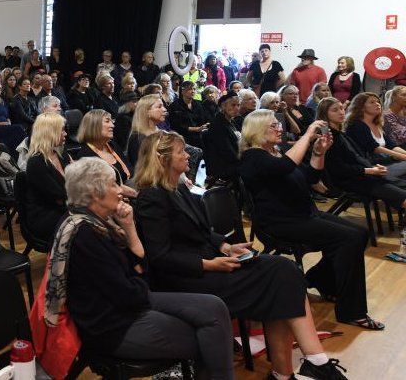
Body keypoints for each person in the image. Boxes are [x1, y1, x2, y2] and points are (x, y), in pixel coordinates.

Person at [133, 130, 350, 380]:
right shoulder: (153, 196)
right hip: (188, 278)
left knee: (283, 272)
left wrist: (224, 246)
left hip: (208, 264)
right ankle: (310, 364)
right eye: (181, 152)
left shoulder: (177, 188)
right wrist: (211, 264)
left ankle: (293, 369)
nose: (187, 156)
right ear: (163, 159)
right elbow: (160, 256)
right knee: (280, 275)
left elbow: (200, 233)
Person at [55, 158, 234, 380]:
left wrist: (129, 227)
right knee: (208, 335)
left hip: (131, 304)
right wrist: (138, 278)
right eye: (113, 184)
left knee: (214, 307)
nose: (121, 190)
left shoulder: (102, 223)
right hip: (113, 326)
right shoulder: (85, 235)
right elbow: (129, 292)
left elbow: (139, 271)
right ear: (95, 193)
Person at [240, 110, 378, 330]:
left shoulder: (278, 152)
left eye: (278, 125)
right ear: (256, 130)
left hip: (304, 214)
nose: (279, 129)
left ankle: (318, 279)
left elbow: (311, 177)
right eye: (273, 126)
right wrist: (307, 135)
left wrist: (318, 152)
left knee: (359, 234)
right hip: (281, 221)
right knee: (349, 239)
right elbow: (285, 167)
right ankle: (352, 311)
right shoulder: (252, 157)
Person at [318, 97, 406, 210]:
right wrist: (370, 170)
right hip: (351, 180)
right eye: (335, 110)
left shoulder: (340, 134)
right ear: (324, 114)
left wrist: (372, 168)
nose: (341, 112)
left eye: (341, 108)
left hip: (364, 174)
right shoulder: (328, 138)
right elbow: (338, 169)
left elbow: (359, 158)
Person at [67, 109, 136, 198]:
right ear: (94, 126)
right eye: (107, 121)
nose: (112, 125)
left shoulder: (112, 145)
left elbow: (130, 171)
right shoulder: (86, 155)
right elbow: (103, 190)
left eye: (111, 121)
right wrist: (139, 195)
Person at [23, 112, 69, 242]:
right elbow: (59, 198)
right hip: (45, 216)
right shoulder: (36, 162)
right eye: (62, 130)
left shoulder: (61, 154)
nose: (65, 134)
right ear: (50, 132)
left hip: (63, 208)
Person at [345, 92, 406, 163]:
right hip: (368, 164)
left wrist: (404, 154)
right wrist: (400, 156)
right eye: (372, 102)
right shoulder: (356, 125)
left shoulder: (377, 124)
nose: (377, 104)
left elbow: (391, 145)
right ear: (361, 107)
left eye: (378, 102)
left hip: (382, 160)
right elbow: (374, 148)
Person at [201, 93, 242, 189]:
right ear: (223, 106)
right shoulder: (218, 124)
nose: (236, 108)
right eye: (233, 105)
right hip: (223, 165)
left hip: (233, 159)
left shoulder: (232, 121)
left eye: (238, 105)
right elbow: (227, 151)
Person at [127, 94, 168, 168]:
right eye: (159, 106)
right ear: (147, 112)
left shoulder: (162, 133)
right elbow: (141, 169)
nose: (164, 109)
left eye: (163, 106)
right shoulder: (137, 139)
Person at [167, 81, 208, 149]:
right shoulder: (175, 106)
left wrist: (204, 126)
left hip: (198, 136)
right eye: (190, 89)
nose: (193, 91)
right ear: (182, 91)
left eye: (194, 89)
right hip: (182, 137)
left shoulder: (198, 104)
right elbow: (175, 125)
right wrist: (194, 129)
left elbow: (202, 120)